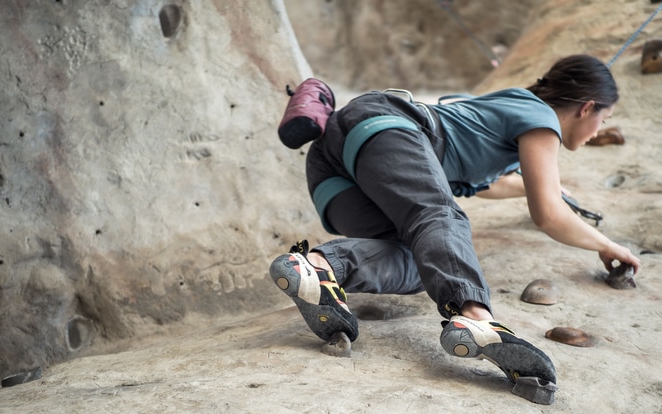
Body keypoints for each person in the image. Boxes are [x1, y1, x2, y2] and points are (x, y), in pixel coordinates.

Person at [268, 54, 641, 404]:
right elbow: (548, 215)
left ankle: (318, 267)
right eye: (603, 120)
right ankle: (474, 318)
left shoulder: (504, 109)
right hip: (385, 128)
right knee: (440, 217)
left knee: (424, 261)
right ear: (587, 107)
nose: (597, 131)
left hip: (334, 172)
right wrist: (608, 245)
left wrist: (546, 186)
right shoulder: (540, 115)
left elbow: (494, 183)